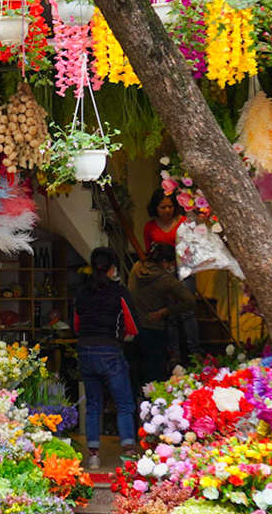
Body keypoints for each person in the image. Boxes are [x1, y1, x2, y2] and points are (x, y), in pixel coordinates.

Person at [73, 246, 138, 470]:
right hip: (110, 351)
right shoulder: (118, 292)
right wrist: (122, 337)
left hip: (85, 351)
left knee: (93, 405)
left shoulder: (81, 293)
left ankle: (93, 455)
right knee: (124, 403)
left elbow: (76, 325)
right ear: (112, 269)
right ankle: (129, 453)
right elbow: (132, 324)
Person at [129, 243, 196, 386]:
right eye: (172, 264)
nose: (172, 268)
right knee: (154, 375)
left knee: (135, 372)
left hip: (133, 328)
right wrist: (166, 311)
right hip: (154, 329)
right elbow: (190, 301)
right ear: (164, 262)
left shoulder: (136, 268)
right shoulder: (165, 279)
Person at [144, 188, 184, 254]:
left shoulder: (184, 223)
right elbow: (149, 251)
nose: (167, 210)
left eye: (170, 207)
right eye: (163, 207)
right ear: (155, 208)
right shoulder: (149, 226)